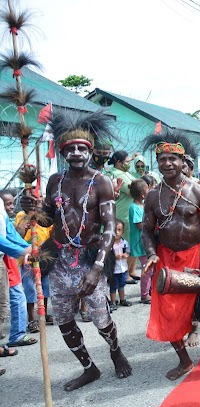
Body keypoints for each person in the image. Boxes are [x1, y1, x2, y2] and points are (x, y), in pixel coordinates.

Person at [21, 108, 132, 391]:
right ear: (63, 152)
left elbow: (109, 227)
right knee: (63, 318)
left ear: (90, 150)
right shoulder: (55, 181)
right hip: (59, 259)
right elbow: (47, 217)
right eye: (70, 149)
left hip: (89, 258)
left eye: (82, 148)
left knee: (101, 318)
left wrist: (97, 268)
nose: (77, 153)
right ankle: (88, 368)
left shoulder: (101, 182)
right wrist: (30, 207)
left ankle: (115, 351)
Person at [142, 129, 200, 380]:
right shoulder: (153, 195)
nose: (166, 163)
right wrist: (152, 253)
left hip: (196, 256)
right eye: (162, 159)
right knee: (168, 314)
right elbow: (145, 229)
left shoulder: (196, 190)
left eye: (172, 159)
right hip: (166, 260)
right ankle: (184, 360)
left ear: (182, 161)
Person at [14, 197, 54, 332]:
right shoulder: (22, 215)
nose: (38, 201)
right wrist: (29, 217)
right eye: (35, 199)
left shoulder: (45, 217)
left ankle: (44, 313)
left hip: (44, 257)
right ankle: (31, 319)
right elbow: (18, 234)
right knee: (30, 288)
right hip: (28, 259)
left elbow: (51, 234)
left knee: (45, 287)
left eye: (41, 198)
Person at [1, 194, 36, 348]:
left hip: (4, 259)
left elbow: (9, 234)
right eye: (8, 204)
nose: (10, 207)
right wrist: (23, 251)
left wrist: (27, 248)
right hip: (5, 258)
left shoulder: (1, 209)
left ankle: (17, 335)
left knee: (16, 297)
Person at [108, 150, 137, 284]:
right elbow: (134, 191)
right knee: (127, 245)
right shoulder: (117, 175)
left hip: (129, 213)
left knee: (134, 243)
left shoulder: (124, 173)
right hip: (123, 215)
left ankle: (131, 271)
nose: (128, 164)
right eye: (126, 161)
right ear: (118, 162)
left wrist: (132, 158)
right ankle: (125, 274)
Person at [128, 179, 151, 304]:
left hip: (145, 242)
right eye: (147, 189)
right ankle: (144, 295)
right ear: (142, 194)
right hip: (141, 243)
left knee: (150, 268)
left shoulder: (142, 205)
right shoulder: (134, 207)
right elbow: (140, 225)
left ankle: (149, 290)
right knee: (146, 269)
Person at [109, 219, 131, 310]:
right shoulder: (110, 244)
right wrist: (114, 256)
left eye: (119, 230)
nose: (117, 233)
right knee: (113, 286)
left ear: (123, 231)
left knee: (122, 285)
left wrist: (126, 255)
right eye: (115, 230)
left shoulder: (124, 242)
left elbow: (128, 251)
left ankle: (122, 299)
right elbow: (107, 256)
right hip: (114, 270)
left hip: (123, 268)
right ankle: (113, 302)